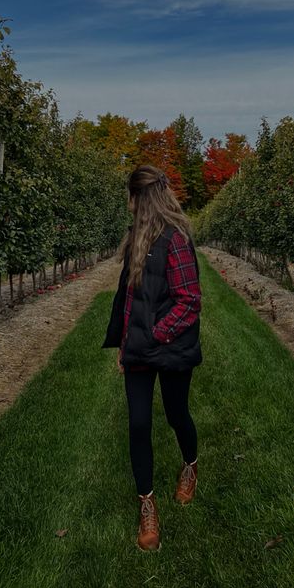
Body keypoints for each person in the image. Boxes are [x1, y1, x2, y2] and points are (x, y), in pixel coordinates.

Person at [101, 164, 202, 552]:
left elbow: (189, 302)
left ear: (140, 200)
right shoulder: (136, 240)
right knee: (139, 423)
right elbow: (128, 301)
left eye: (130, 198)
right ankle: (147, 503)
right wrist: (127, 344)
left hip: (170, 346)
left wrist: (154, 335)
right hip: (141, 350)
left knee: (177, 414)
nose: (127, 206)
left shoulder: (175, 240)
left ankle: (190, 464)